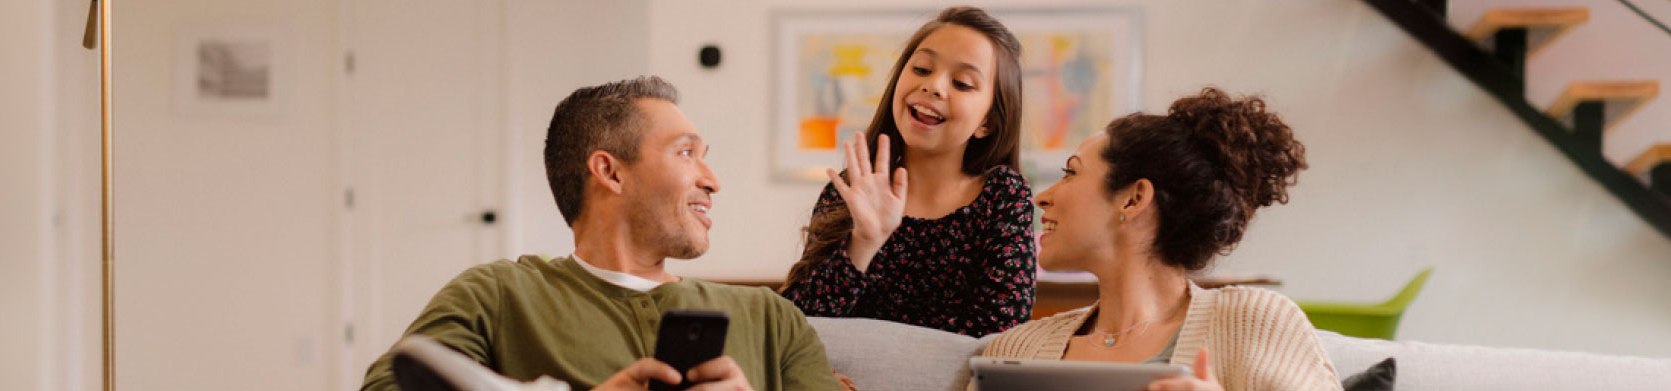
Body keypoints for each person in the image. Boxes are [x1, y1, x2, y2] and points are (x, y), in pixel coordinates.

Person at [359, 76, 839, 391]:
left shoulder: (771, 318)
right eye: (686, 153)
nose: (713, 180)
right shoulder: (500, 294)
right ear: (610, 173)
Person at [977, 88, 1339, 391]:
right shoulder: (1017, 347)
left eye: (1070, 173)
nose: (1042, 197)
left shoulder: (1254, 321)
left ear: (1133, 199)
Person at [781, 6, 1037, 338]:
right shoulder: (852, 188)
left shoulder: (1003, 194)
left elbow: (1002, 332)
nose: (934, 86)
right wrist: (863, 243)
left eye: (962, 83)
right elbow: (799, 327)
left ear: (988, 122)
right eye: (921, 69)